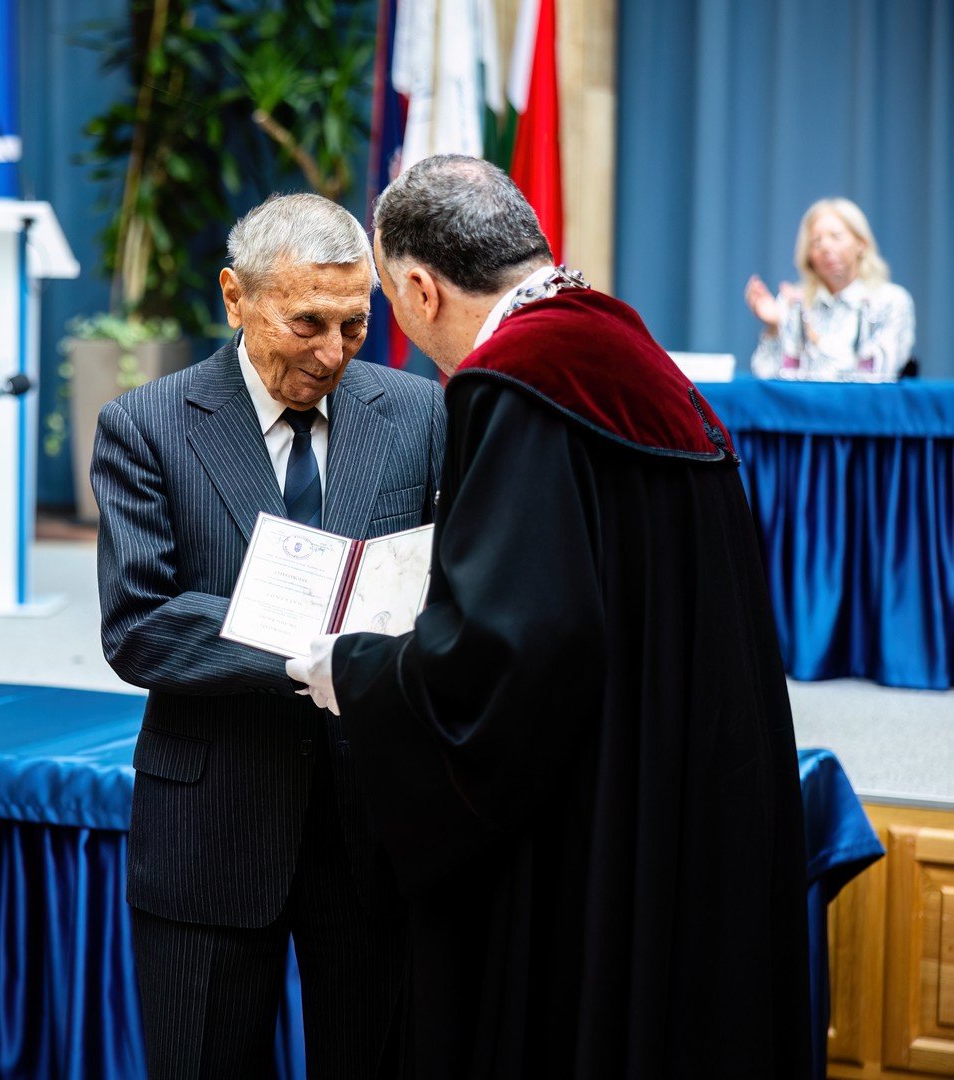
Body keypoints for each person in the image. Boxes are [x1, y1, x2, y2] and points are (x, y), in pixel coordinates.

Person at [288, 156, 812, 1077]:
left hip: (583, 824)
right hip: (678, 787)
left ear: (420, 288)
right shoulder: (631, 351)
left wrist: (358, 670)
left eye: (390, 305)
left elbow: (510, 649)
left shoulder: (513, 382)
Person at [93, 193, 445, 1077]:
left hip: (375, 829)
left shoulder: (420, 414)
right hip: (212, 827)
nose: (332, 353)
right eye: (307, 324)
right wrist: (320, 646)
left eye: (354, 326)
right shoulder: (147, 425)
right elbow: (140, 624)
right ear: (235, 298)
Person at [745, 197, 915, 377]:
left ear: (861, 244)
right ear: (808, 255)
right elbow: (765, 374)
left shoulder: (891, 301)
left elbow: (876, 372)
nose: (825, 247)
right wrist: (774, 327)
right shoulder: (794, 301)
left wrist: (813, 337)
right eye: (816, 242)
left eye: (836, 237)